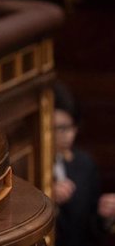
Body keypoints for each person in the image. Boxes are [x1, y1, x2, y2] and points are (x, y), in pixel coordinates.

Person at [53, 81, 115, 246]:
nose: (69, 135)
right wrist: (47, 197)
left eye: (72, 127)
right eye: (60, 128)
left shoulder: (84, 164)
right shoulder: (29, 166)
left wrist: (104, 215)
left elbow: (91, 228)